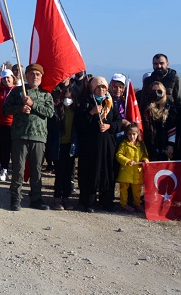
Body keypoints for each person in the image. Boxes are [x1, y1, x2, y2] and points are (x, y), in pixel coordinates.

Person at [3, 64, 55, 211]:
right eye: (32, 74)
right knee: (18, 169)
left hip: (39, 137)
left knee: (36, 170)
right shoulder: (18, 92)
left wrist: (33, 104)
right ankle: (15, 198)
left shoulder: (46, 95)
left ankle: (36, 199)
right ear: (26, 76)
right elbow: (5, 109)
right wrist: (20, 108)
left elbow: (50, 113)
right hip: (20, 135)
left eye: (38, 74)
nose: (35, 77)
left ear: (41, 77)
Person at [75, 76, 121, 213]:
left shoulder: (110, 103)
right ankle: (88, 201)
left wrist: (109, 126)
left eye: (104, 87)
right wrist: (91, 112)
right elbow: (79, 122)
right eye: (98, 87)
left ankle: (107, 200)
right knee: (90, 170)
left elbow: (118, 121)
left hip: (107, 144)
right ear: (93, 88)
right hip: (90, 145)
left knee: (108, 171)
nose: (101, 90)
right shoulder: (86, 102)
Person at [51, 86, 77, 211]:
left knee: (68, 173)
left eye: (70, 97)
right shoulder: (56, 111)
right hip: (59, 146)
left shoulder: (75, 111)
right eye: (66, 97)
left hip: (70, 146)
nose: (68, 100)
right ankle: (57, 198)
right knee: (59, 173)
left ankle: (66, 197)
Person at [115, 123, 149, 213]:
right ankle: (123, 204)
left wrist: (145, 160)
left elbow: (145, 155)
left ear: (138, 134)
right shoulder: (124, 144)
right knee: (124, 189)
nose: (131, 136)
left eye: (133, 134)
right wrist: (127, 161)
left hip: (137, 172)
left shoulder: (141, 145)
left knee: (137, 190)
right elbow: (119, 155)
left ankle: (137, 204)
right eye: (129, 134)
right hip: (126, 171)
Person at [142, 81, 177, 161]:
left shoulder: (170, 106)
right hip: (150, 145)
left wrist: (171, 144)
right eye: (153, 91)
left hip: (165, 145)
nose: (156, 94)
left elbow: (173, 126)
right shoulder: (146, 107)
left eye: (159, 91)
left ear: (164, 92)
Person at [0, 69, 16, 182]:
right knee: (4, 149)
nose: (6, 80)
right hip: (2, 124)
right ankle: (4, 169)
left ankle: (15, 170)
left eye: (8, 77)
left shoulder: (17, 90)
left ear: (13, 78)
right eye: (4, 78)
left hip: (15, 124)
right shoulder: (0, 91)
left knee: (15, 149)